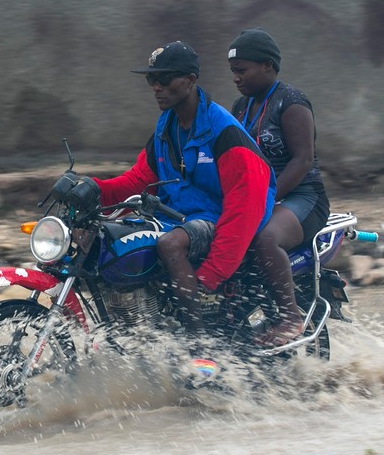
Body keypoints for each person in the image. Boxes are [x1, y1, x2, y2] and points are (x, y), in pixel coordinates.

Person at [92, 41, 282, 335]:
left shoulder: (224, 132)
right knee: (108, 237)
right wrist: (92, 189)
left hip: (216, 218)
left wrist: (210, 277)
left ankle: (198, 340)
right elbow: (138, 181)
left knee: (170, 244)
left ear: (191, 81)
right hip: (178, 215)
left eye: (165, 79)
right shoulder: (166, 128)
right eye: (151, 80)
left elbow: (245, 208)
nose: (157, 87)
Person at [227, 28, 331, 344]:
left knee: (265, 237)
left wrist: (267, 198)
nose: (236, 79)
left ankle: (291, 318)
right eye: (233, 72)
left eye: (242, 71)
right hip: (259, 198)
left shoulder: (292, 102)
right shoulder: (240, 107)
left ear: (268, 66)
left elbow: (302, 160)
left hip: (302, 196)